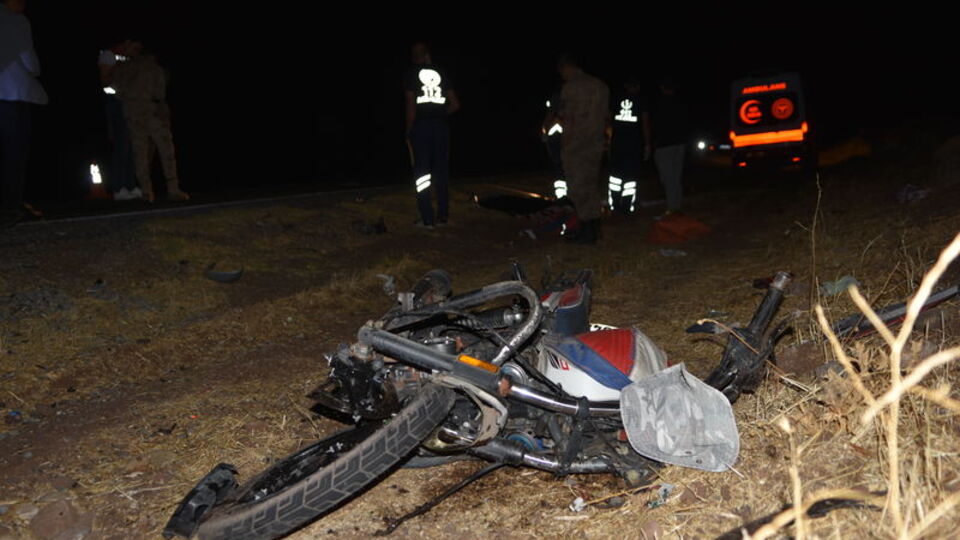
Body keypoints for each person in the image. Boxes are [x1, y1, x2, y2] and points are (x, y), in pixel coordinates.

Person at [111, 40, 188, 202]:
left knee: (143, 152)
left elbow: (118, 91)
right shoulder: (148, 66)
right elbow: (160, 90)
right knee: (161, 151)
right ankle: (168, 189)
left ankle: (148, 191)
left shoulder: (125, 67)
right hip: (149, 112)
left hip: (139, 112)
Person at [0, 0, 47, 226]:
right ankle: (10, 205)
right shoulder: (16, 21)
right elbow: (29, 60)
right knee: (14, 151)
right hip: (12, 94)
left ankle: (10, 203)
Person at [404, 43, 459, 229]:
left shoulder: (412, 74)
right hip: (441, 127)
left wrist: (409, 129)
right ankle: (443, 217)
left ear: (421, 56)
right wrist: (440, 114)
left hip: (421, 127)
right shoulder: (442, 72)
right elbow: (455, 105)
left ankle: (428, 219)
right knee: (441, 171)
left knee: (422, 174)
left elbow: (411, 105)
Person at [557, 54, 608, 244]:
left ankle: (586, 230)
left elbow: (569, 119)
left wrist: (564, 144)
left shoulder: (571, 88)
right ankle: (595, 228)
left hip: (577, 144)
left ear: (567, 68)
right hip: (596, 143)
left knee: (578, 188)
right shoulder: (601, 86)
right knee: (591, 185)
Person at [98, 41, 141, 201]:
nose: (135, 52)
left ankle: (130, 185)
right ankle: (119, 187)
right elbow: (105, 82)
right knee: (121, 145)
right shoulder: (108, 55)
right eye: (134, 47)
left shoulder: (127, 59)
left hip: (128, 103)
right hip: (115, 103)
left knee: (131, 146)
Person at [607, 77, 651, 214]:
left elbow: (608, 121)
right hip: (633, 145)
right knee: (629, 177)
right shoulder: (641, 101)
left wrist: (608, 140)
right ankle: (626, 207)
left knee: (616, 176)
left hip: (618, 144)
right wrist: (647, 144)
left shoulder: (616, 99)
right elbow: (645, 124)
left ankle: (615, 205)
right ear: (637, 86)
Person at [651, 77, 689, 214]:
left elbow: (655, 125)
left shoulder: (660, 104)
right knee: (675, 177)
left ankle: (673, 208)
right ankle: (676, 205)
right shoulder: (680, 103)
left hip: (664, 145)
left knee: (668, 178)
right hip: (678, 144)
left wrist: (653, 142)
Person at [541, 87, 565, 199]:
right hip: (557, 135)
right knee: (559, 166)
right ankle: (562, 196)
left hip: (562, 137)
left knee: (559, 166)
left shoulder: (560, 96)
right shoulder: (558, 96)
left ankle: (562, 197)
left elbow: (550, 115)